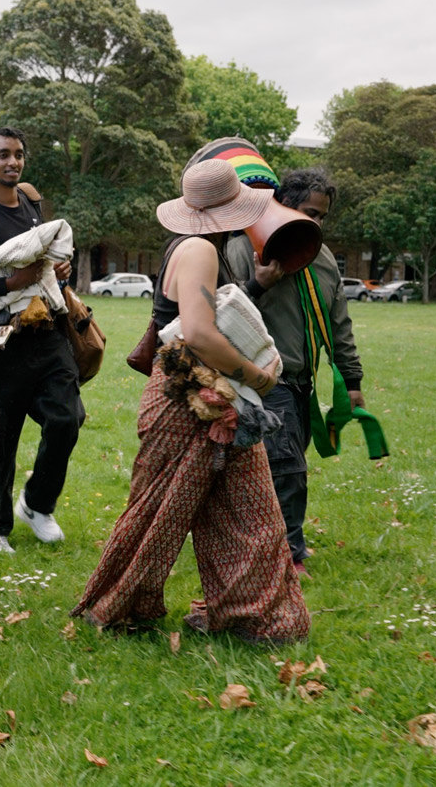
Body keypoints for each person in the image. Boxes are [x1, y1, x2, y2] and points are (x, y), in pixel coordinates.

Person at [71, 158, 309, 645]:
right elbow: (199, 333)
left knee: (246, 511)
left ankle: (253, 615)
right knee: (160, 513)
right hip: (189, 400)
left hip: (204, 396)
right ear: (232, 211)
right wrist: (258, 378)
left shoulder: (198, 245)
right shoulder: (200, 248)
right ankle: (118, 607)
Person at [226, 166, 364, 577]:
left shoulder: (322, 258)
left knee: (280, 464)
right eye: (308, 211)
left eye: (322, 215)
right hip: (264, 378)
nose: (315, 222)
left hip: (302, 382)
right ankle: (289, 556)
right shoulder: (241, 247)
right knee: (288, 468)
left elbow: (339, 322)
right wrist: (261, 282)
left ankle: (259, 540)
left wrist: (352, 380)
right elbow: (222, 313)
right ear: (283, 204)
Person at [0, 127, 84, 553]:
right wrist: (9, 283)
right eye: (3, 155)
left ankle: (37, 504)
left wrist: (61, 271)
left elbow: (45, 258)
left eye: (18, 154)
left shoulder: (33, 206)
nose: (12, 162)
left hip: (46, 331)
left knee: (67, 417)